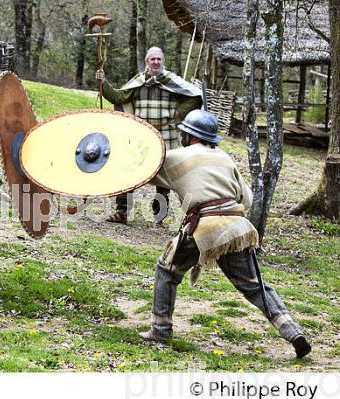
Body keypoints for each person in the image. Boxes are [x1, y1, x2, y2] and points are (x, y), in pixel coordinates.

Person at [138, 108, 312, 359]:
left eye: (185, 134)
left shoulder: (176, 157)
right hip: (237, 228)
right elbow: (248, 199)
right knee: (254, 286)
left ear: (190, 136)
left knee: (167, 270)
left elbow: (145, 172)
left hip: (204, 228)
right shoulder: (224, 157)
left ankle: (161, 330)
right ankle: (293, 332)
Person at [98, 46, 202, 224]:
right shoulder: (138, 82)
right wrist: (103, 82)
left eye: (158, 59)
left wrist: (178, 114)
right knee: (129, 171)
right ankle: (122, 212)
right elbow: (117, 97)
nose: (155, 62)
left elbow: (195, 96)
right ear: (147, 62)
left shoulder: (172, 81)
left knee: (164, 177)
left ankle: (159, 217)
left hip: (166, 135)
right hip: (142, 136)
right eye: (152, 59)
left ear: (163, 61)